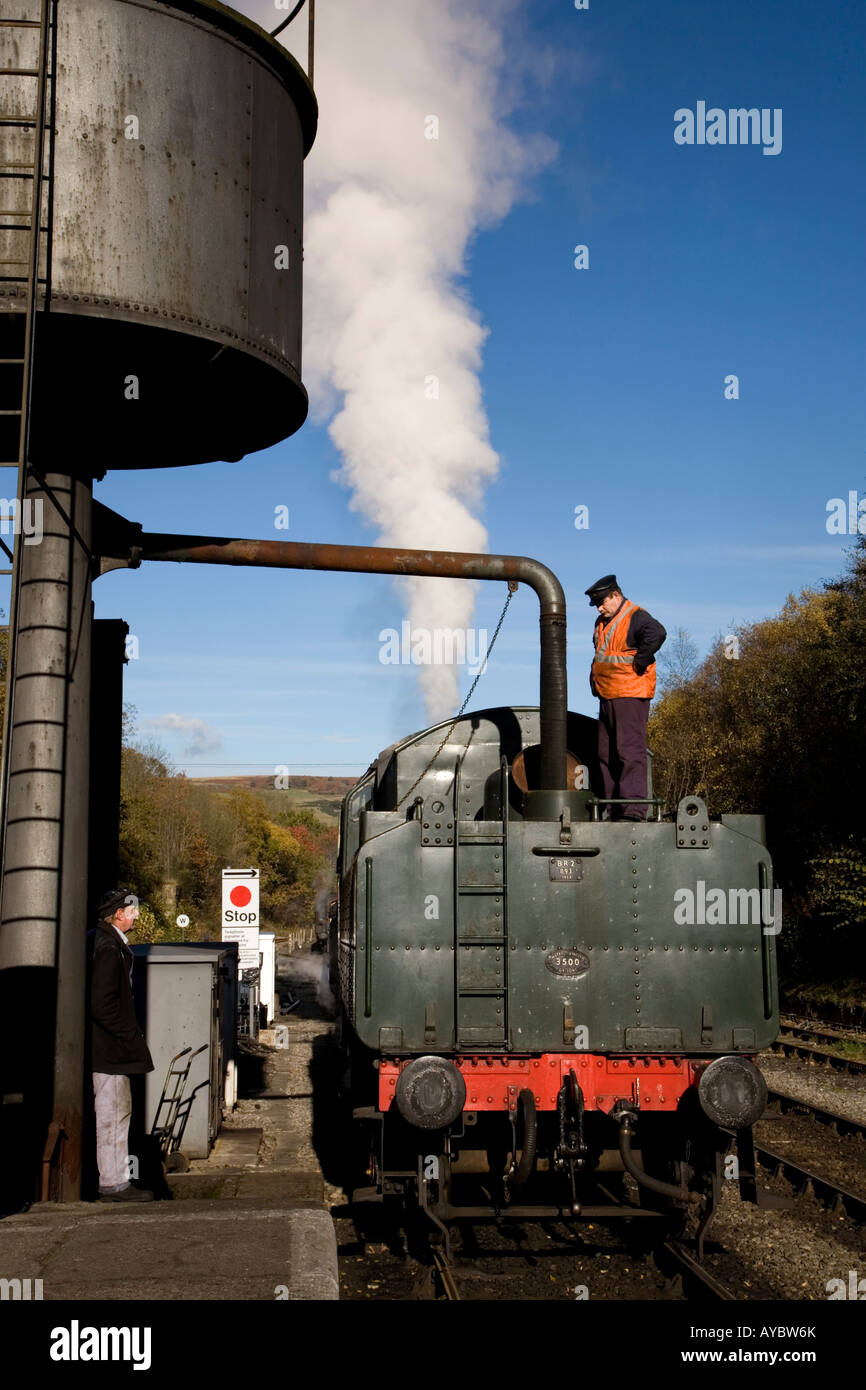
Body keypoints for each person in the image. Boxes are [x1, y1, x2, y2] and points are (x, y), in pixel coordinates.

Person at [89, 888, 155, 1201]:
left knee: (116, 1112)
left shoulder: (105, 942)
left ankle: (116, 1180)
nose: (136, 915)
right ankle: (114, 1183)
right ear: (118, 914)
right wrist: (129, 1036)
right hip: (110, 1049)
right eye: (132, 910)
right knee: (113, 1114)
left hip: (109, 1046)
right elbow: (102, 1003)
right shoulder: (107, 946)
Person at [585, 574, 666, 821]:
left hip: (630, 694)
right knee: (605, 754)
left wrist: (639, 663)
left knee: (628, 752)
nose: (599, 607)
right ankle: (614, 808)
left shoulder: (635, 616)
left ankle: (632, 810)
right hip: (608, 695)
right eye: (596, 603)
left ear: (616, 596)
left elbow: (657, 633)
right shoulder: (602, 622)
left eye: (602, 601)